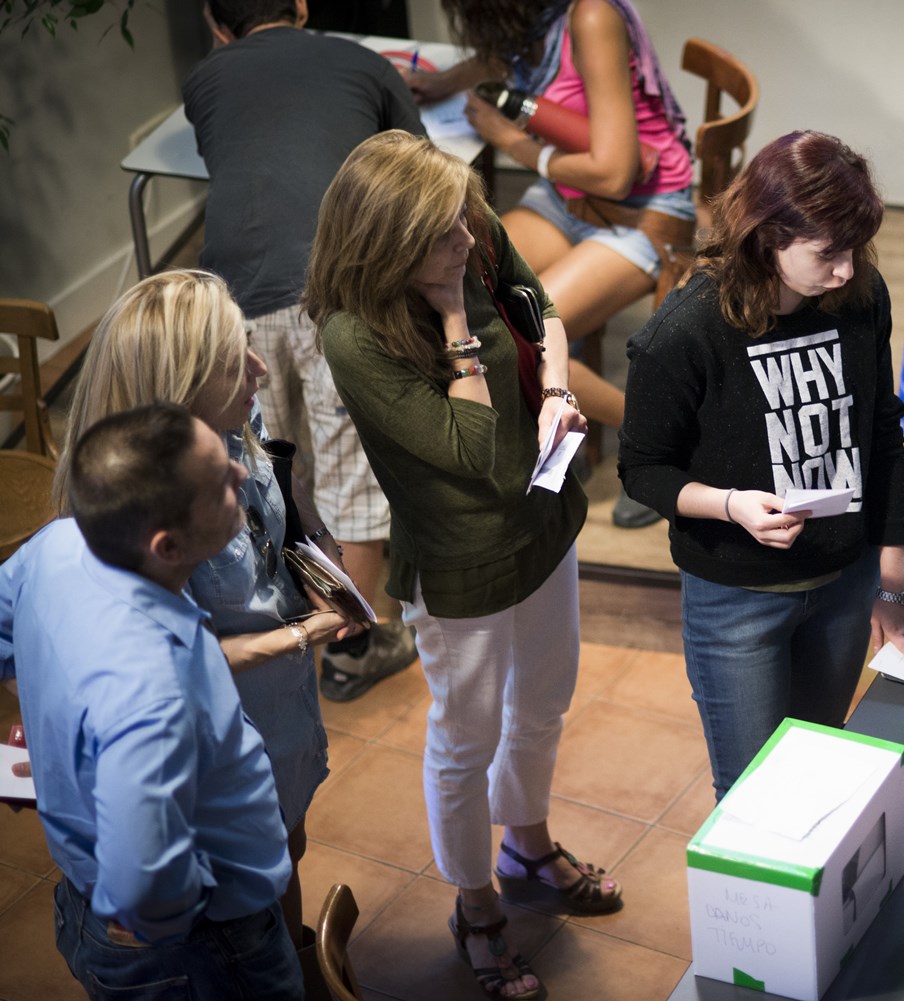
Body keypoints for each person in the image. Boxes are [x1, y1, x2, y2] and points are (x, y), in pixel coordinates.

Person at [306, 130, 614, 1000]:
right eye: (445, 236)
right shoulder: (353, 335)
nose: (469, 240)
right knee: (466, 735)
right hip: (463, 558)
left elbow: (540, 303)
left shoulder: (464, 224)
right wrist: (452, 317)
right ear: (392, 247)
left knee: (546, 698)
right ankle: (475, 905)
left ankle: (527, 844)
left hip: (546, 512)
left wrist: (555, 388)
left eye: (465, 221)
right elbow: (474, 447)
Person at [55, 268, 363, 944]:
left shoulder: (232, 417)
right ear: (179, 390)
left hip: (281, 720)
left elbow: (274, 495)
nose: (259, 368)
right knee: (243, 906)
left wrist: (312, 547)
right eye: (234, 362)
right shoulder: (134, 519)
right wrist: (303, 633)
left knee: (287, 854)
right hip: (224, 739)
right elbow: (171, 662)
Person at [617, 131, 904, 800]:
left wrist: (892, 576)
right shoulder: (686, 331)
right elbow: (642, 470)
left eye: (854, 249)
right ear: (767, 237)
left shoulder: (859, 297)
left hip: (844, 583)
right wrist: (732, 504)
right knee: (755, 801)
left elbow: (881, 428)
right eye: (827, 254)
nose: (845, 270)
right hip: (737, 602)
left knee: (814, 779)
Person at [0, 403, 302, 999]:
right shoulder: (151, 691)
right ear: (167, 546)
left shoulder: (58, 544)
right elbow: (145, 886)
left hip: (95, 900)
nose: (240, 476)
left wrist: (61, 725)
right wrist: (177, 925)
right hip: (200, 951)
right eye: (219, 483)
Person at [184, 0, 425, 698]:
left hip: (235, 298)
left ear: (215, 21)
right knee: (352, 462)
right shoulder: (365, 63)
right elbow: (413, 171)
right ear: (302, 7)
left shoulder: (204, 80)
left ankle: (296, 612)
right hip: (342, 288)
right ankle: (360, 636)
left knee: (278, 462)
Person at [409, 0, 697, 527]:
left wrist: (508, 139)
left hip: (639, 216)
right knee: (467, 302)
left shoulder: (591, 15)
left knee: (522, 338)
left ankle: (663, 439)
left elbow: (614, 175)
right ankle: (563, 425)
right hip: (564, 197)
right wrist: (442, 81)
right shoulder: (531, 17)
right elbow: (500, 56)